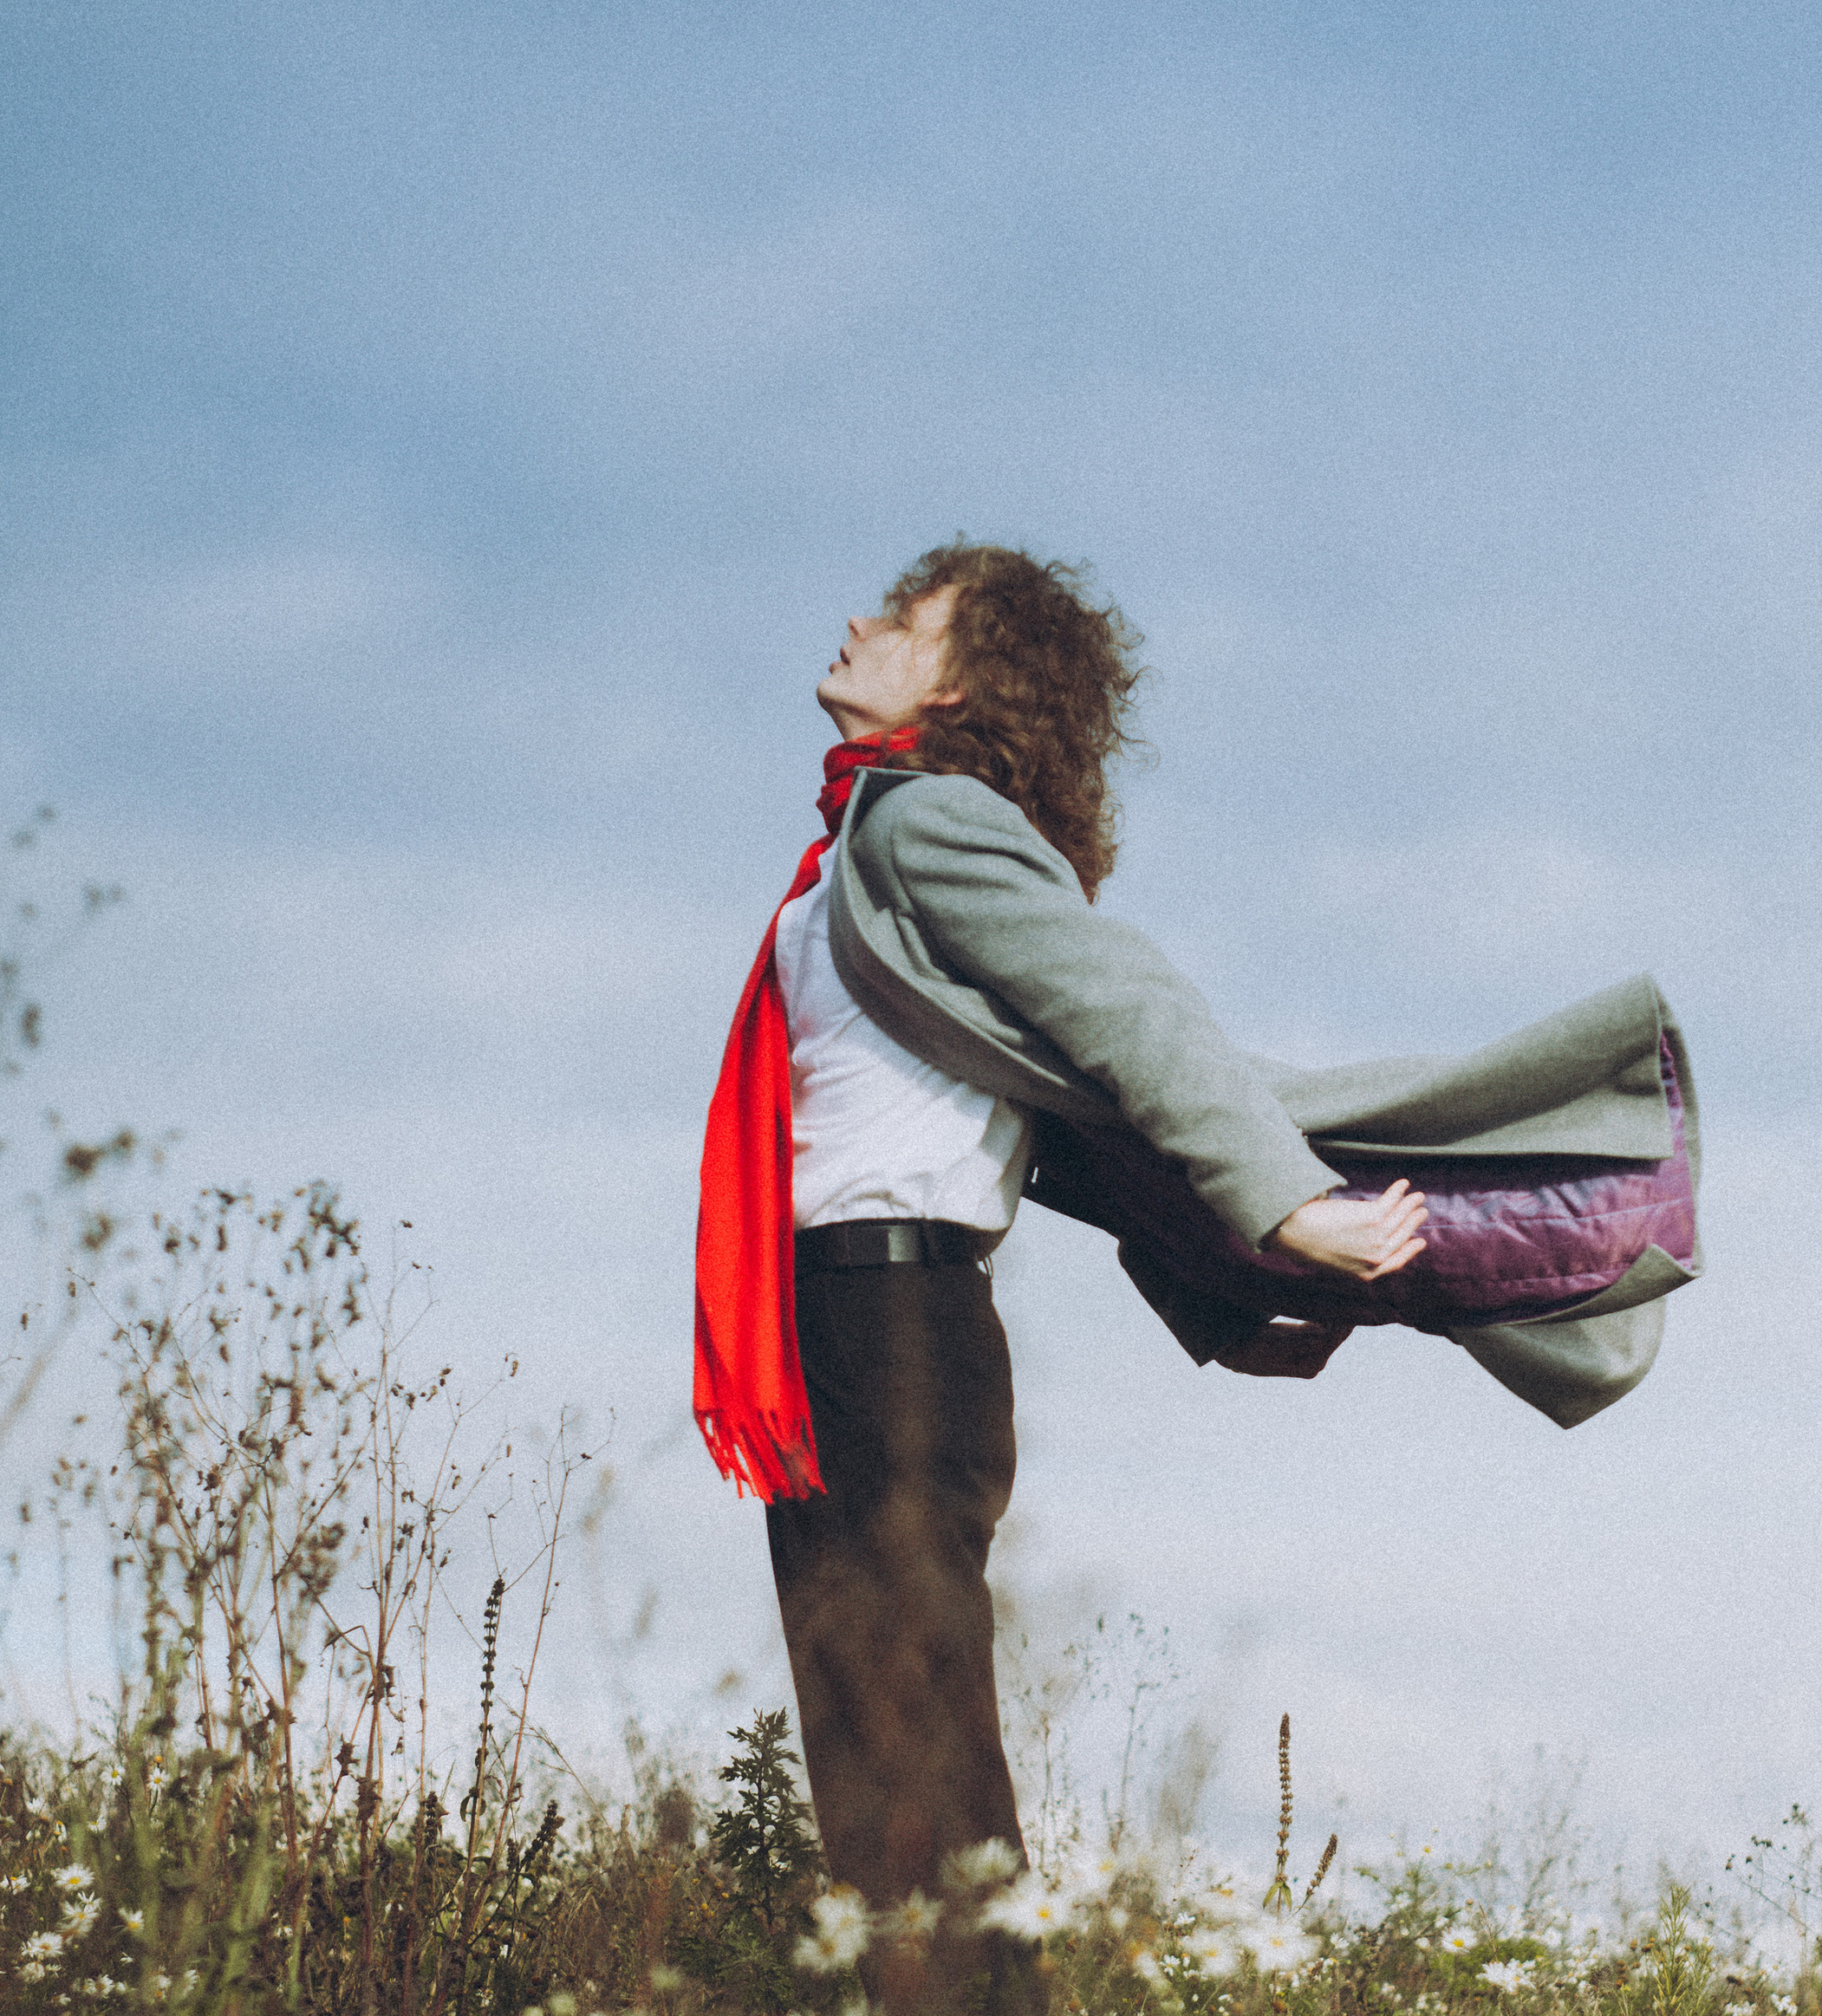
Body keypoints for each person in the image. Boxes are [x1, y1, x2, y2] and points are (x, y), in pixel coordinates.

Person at [694, 542, 1699, 1905]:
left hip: (898, 1320)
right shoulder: (859, 849)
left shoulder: (934, 823)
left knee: (916, 1736)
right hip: (832, 1325)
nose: (859, 619)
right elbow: (1067, 1121)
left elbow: (1129, 1011)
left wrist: (1286, 1212)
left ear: (967, 677)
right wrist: (1218, 1311)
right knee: (865, 1737)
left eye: (906, 615)